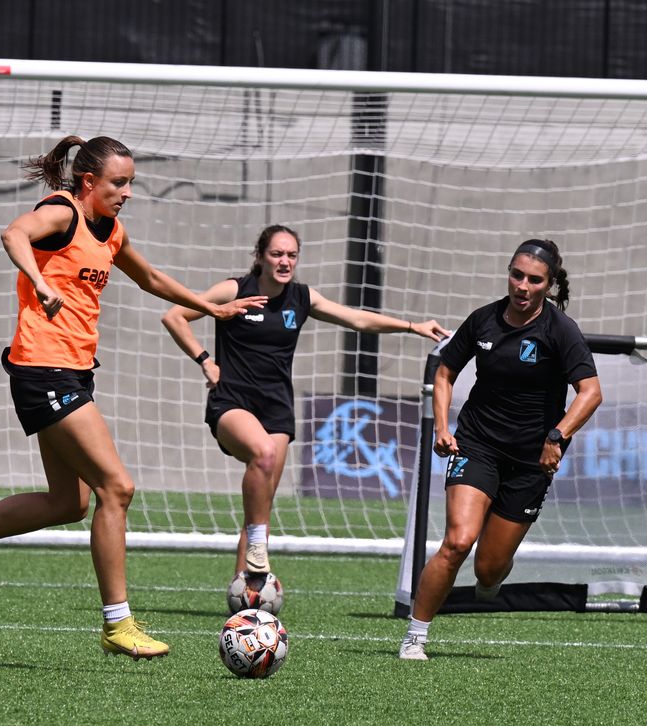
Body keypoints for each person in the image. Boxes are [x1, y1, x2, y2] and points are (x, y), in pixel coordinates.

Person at [0, 134, 267, 660]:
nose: (126, 192)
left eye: (130, 183)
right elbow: (13, 235)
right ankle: (117, 624)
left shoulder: (112, 229)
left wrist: (209, 308)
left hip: (75, 372)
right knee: (116, 488)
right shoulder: (60, 213)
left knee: (69, 502)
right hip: (41, 367)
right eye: (118, 183)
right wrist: (40, 281)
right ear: (88, 183)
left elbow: (149, 278)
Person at [162, 225, 448, 582]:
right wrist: (206, 360)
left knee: (260, 510)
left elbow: (356, 318)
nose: (285, 262)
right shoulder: (234, 289)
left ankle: (245, 594)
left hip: (277, 409)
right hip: (231, 401)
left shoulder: (301, 297)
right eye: (277, 254)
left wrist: (411, 326)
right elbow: (174, 316)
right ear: (260, 256)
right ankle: (256, 556)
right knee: (263, 454)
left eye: (291, 255)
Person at [398, 239, 602, 660]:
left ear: (548, 285)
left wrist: (556, 438)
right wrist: (441, 426)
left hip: (531, 460)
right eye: (516, 275)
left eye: (534, 280)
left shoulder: (560, 330)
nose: (522, 286)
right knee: (458, 541)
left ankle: (491, 577)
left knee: (488, 568)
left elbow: (591, 392)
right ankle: (415, 635)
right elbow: (444, 371)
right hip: (478, 443)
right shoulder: (484, 320)